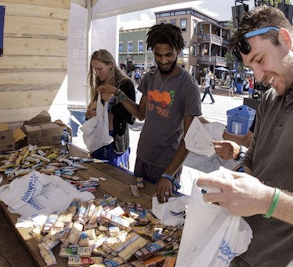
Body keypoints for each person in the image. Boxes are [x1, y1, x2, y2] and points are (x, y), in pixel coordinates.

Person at [198, 5, 293, 266]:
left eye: (260, 60)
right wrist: (233, 185)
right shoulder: (268, 99)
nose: (259, 77)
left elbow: (265, 197)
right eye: (251, 67)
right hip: (238, 248)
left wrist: (267, 201)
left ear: (285, 39)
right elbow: (253, 159)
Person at [98, 23, 202, 203]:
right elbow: (140, 114)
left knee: (160, 217)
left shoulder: (188, 85)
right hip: (143, 157)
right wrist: (118, 94)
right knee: (136, 207)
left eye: (169, 55)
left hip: (166, 165)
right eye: (158, 55)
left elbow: (190, 136)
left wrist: (169, 174)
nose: (163, 61)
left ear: (178, 50)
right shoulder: (149, 78)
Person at [85, 49, 136, 170]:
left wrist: (113, 101)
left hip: (115, 143)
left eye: (100, 69)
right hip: (98, 141)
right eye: (94, 70)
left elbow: (131, 118)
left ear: (110, 65)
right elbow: (92, 115)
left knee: (116, 180)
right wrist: (89, 115)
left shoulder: (125, 84)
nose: (97, 73)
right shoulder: (99, 85)